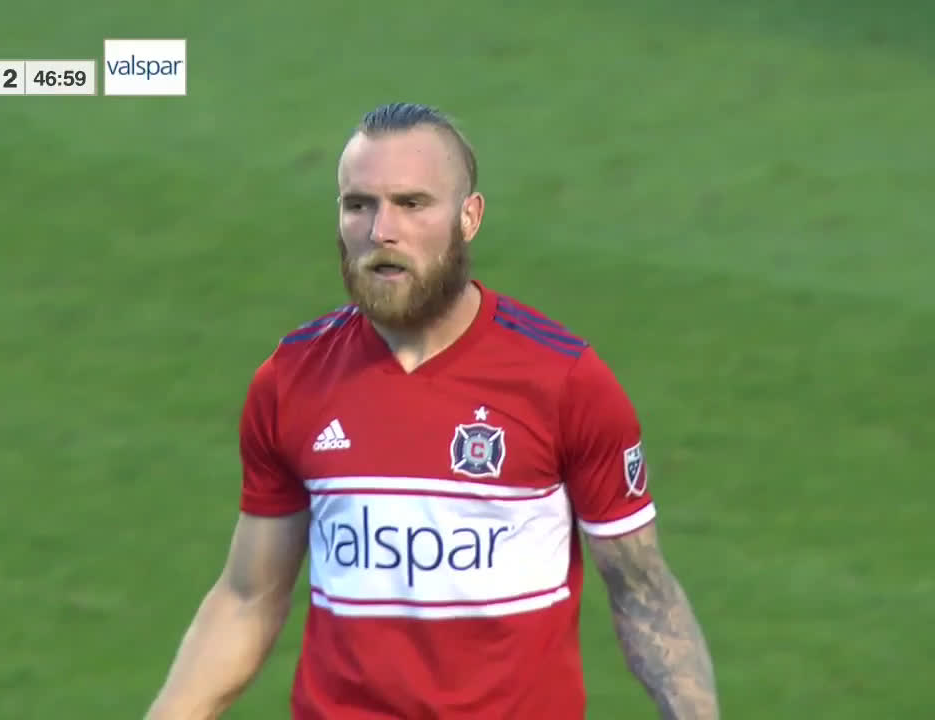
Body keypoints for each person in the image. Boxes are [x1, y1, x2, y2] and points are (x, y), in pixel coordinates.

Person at [144, 102, 719, 719]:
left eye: (412, 204)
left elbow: (643, 596)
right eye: (358, 205)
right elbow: (248, 598)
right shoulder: (291, 379)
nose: (381, 231)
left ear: (469, 217)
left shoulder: (564, 382)